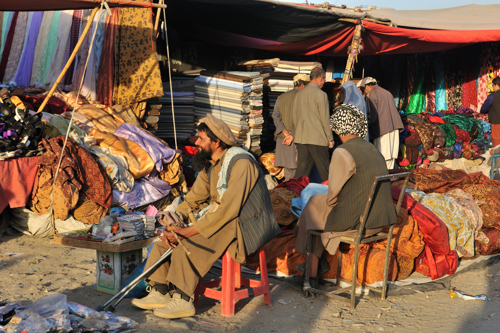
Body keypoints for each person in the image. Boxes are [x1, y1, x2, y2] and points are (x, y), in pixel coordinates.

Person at [131, 114, 280, 319]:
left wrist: (187, 232)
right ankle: (161, 291)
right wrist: (174, 222)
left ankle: (183, 299)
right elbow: (192, 199)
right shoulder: (210, 165)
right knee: (161, 242)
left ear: (216, 142)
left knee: (189, 244)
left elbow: (229, 210)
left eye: (201, 138)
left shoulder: (242, 164)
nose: (197, 142)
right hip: (221, 218)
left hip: (245, 224)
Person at [293, 104, 396, 285]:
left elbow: (333, 195)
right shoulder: (372, 149)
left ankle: (310, 269)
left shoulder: (343, 152)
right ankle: (315, 266)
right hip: (379, 220)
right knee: (316, 208)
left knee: (312, 207)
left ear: (339, 130)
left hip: (359, 222)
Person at [292, 67, 334, 181]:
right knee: (325, 172)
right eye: (324, 80)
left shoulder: (299, 94)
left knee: (301, 172)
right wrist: (330, 138)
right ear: (321, 78)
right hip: (317, 139)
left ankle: (292, 193)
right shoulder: (321, 94)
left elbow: (295, 117)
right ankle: (332, 196)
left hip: (302, 138)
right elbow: (325, 119)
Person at [272, 73, 309, 180]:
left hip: (283, 139)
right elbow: (304, 119)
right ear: (303, 85)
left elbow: (275, 115)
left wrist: (285, 132)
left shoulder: (281, 97)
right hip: (297, 139)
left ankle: (289, 195)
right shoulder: (304, 98)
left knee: (288, 173)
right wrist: (292, 135)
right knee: (299, 174)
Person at [361, 77, 403, 169]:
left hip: (383, 129)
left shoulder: (372, 94)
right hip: (393, 127)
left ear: (367, 86)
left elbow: (373, 115)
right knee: (391, 155)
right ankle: (391, 178)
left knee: (383, 155)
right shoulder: (387, 92)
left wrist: (368, 125)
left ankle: (387, 179)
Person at [480, 77, 500, 147]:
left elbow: (483, 109)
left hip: (496, 122)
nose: (493, 87)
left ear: (496, 85)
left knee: (497, 142)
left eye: (493, 85)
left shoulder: (492, 96)